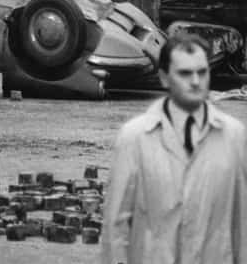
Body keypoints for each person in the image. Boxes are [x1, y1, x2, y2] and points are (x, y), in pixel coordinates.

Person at [101, 32, 247, 264]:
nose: (196, 81)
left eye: (202, 72)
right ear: (164, 78)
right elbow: (115, 226)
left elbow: (241, 224)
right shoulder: (135, 138)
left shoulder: (233, 136)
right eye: (185, 73)